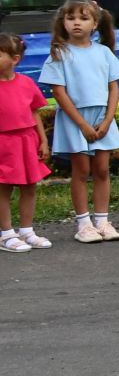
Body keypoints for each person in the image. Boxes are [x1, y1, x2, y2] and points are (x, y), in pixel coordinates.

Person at [39, 0, 119, 243]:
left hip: (102, 118)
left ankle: (102, 220)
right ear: (63, 22)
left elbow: (114, 88)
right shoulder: (59, 54)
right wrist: (83, 125)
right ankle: (83, 224)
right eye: (71, 18)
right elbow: (59, 92)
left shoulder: (104, 52)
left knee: (102, 169)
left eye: (83, 18)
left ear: (95, 24)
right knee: (81, 170)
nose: (77, 23)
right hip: (75, 119)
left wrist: (108, 120)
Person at [0, 33, 54, 253]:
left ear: (14, 59)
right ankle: (6, 233)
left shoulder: (26, 83)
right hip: (3, 142)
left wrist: (43, 141)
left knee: (29, 186)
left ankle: (26, 230)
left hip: (26, 141)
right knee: (3, 188)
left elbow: (35, 113)